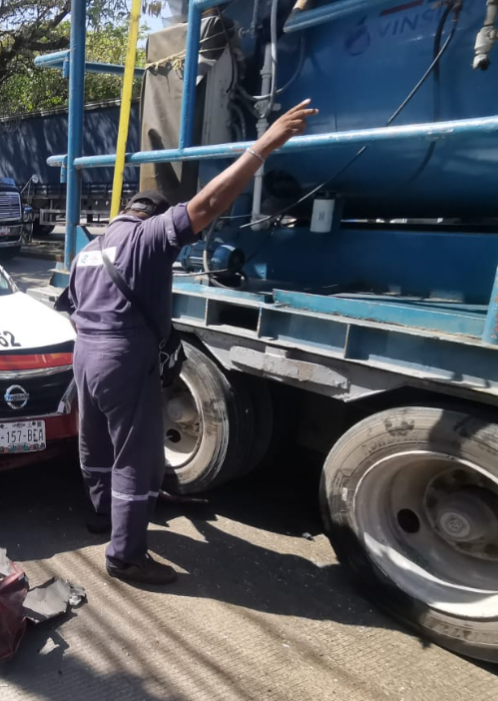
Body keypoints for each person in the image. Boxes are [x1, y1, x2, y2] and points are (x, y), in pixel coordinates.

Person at [63, 99, 318, 585]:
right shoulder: (149, 237)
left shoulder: (88, 250)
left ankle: (102, 516)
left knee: (94, 442)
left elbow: (72, 305)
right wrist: (263, 146)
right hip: (123, 355)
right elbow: (207, 205)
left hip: (85, 354)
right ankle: (126, 557)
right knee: (137, 458)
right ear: (153, 216)